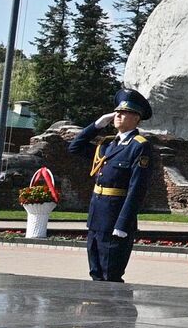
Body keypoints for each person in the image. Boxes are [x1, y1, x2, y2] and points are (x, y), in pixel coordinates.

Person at [65, 89, 155, 282]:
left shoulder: (139, 146)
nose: (118, 116)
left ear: (136, 118)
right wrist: (96, 125)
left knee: (111, 275)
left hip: (115, 220)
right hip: (97, 218)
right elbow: (75, 147)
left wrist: (123, 223)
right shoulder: (107, 145)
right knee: (96, 273)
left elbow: (137, 188)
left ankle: (114, 312)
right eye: (117, 112)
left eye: (124, 113)